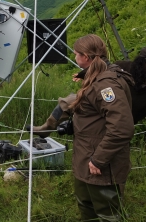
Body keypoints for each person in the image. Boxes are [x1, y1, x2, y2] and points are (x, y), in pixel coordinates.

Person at [68, 34, 134, 221]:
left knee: (107, 214)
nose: (75, 57)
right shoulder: (97, 76)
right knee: (87, 207)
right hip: (86, 156)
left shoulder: (106, 85)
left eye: (76, 54)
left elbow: (121, 127)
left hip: (101, 164)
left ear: (85, 57)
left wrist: (99, 159)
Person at [31, 46, 146, 137]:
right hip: (101, 103)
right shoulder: (123, 66)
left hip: (119, 118)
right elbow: (104, 70)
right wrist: (84, 74)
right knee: (69, 101)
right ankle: (46, 128)